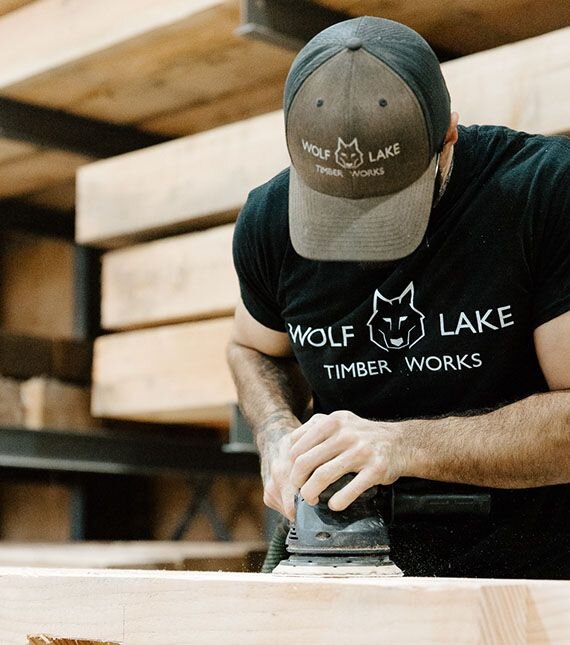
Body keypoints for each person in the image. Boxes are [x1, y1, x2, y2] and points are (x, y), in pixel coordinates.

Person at [226, 16, 570, 578]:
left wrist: (403, 445)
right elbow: (251, 348)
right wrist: (274, 432)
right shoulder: (268, 220)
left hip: (534, 565)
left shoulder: (541, 194)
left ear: (449, 135)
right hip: (350, 566)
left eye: (390, 208)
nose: (363, 239)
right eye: (336, 211)